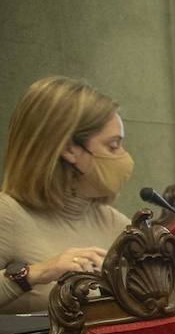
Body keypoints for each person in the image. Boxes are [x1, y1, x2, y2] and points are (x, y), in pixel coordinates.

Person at [0, 76, 127, 313]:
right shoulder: (7, 214)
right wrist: (38, 273)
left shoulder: (114, 222)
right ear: (69, 149)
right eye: (112, 146)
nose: (124, 158)